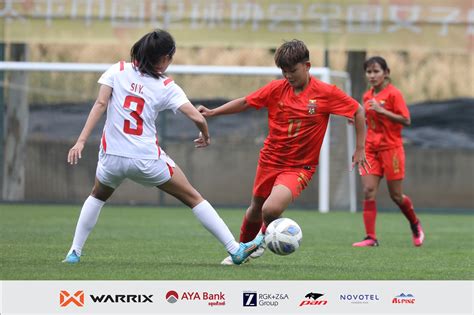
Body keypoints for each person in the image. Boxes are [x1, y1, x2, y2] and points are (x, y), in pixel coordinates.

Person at [62, 29, 262, 265]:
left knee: (96, 197)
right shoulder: (166, 86)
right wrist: (205, 135)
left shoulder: (117, 70)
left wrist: (81, 141)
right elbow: (197, 118)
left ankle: (74, 252)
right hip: (146, 159)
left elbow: (100, 104)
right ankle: (234, 249)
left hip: (112, 158)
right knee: (194, 198)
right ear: (165, 58)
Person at [197, 39, 369, 265]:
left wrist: (360, 148)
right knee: (255, 210)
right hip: (269, 160)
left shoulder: (325, 93)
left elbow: (358, 110)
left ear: (307, 66)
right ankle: (241, 252)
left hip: (299, 167)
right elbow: (245, 102)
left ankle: (257, 242)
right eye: (284, 71)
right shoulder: (276, 89)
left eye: (293, 70)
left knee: (271, 209)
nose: (288, 76)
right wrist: (212, 112)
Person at [352, 56, 424, 247]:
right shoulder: (367, 96)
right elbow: (370, 121)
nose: (372, 75)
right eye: (369, 72)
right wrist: (358, 120)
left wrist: (383, 111)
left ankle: (415, 224)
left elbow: (406, 120)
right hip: (371, 149)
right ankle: (370, 237)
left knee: (396, 196)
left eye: (376, 71)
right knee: (368, 191)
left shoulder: (393, 94)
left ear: (386, 73)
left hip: (391, 149)